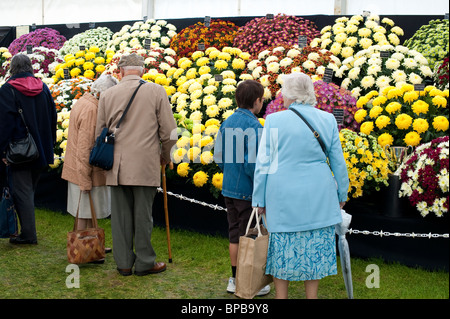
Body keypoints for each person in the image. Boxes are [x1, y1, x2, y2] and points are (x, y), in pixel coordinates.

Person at [252, 72, 349, 299]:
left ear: (290, 93)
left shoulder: (274, 120)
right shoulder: (327, 119)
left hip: (281, 196)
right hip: (320, 194)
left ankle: (281, 296)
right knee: (315, 245)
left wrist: (258, 199)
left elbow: (264, 163)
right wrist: (342, 192)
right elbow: (338, 161)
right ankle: (311, 297)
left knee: (281, 248)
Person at [95, 53, 177, 276]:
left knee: (120, 218)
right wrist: (165, 156)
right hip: (144, 164)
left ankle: (123, 264)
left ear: (120, 72)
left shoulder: (108, 94)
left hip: (116, 166)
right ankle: (144, 262)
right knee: (143, 216)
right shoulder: (156, 91)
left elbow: (99, 132)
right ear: (142, 71)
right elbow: (170, 132)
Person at [214, 79, 270, 296]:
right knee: (249, 237)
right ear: (256, 101)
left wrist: (230, 170)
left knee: (235, 234)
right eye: (262, 99)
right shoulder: (255, 126)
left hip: (228, 187)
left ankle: (235, 278)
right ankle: (246, 281)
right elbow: (253, 164)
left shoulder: (227, 122)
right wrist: (260, 189)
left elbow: (218, 156)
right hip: (247, 191)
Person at [0, 54, 57, 244]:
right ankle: (25, 230)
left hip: (19, 152)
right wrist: (49, 145)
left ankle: (28, 235)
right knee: (28, 191)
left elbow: (4, 125)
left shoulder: (8, 90)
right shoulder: (44, 88)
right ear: (30, 67)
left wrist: (2, 151)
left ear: (12, 69)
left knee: (22, 193)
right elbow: (53, 118)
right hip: (41, 149)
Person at [61, 74, 118, 258]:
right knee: (84, 214)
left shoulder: (84, 101)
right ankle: (83, 252)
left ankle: (92, 246)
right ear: (104, 94)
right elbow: (84, 149)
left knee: (85, 213)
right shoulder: (92, 110)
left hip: (78, 170)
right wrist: (85, 180)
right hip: (83, 172)